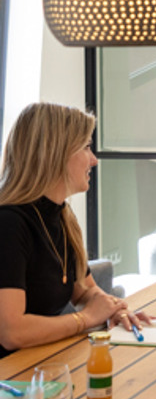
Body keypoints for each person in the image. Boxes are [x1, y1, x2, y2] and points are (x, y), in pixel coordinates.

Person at [0, 102, 147, 358]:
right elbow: (11, 332)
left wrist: (113, 309)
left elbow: (85, 290)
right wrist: (86, 319)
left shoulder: (62, 217)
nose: (94, 160)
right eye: (86, 147)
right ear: (55, 154)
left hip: (40, 364)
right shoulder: (8, 224)